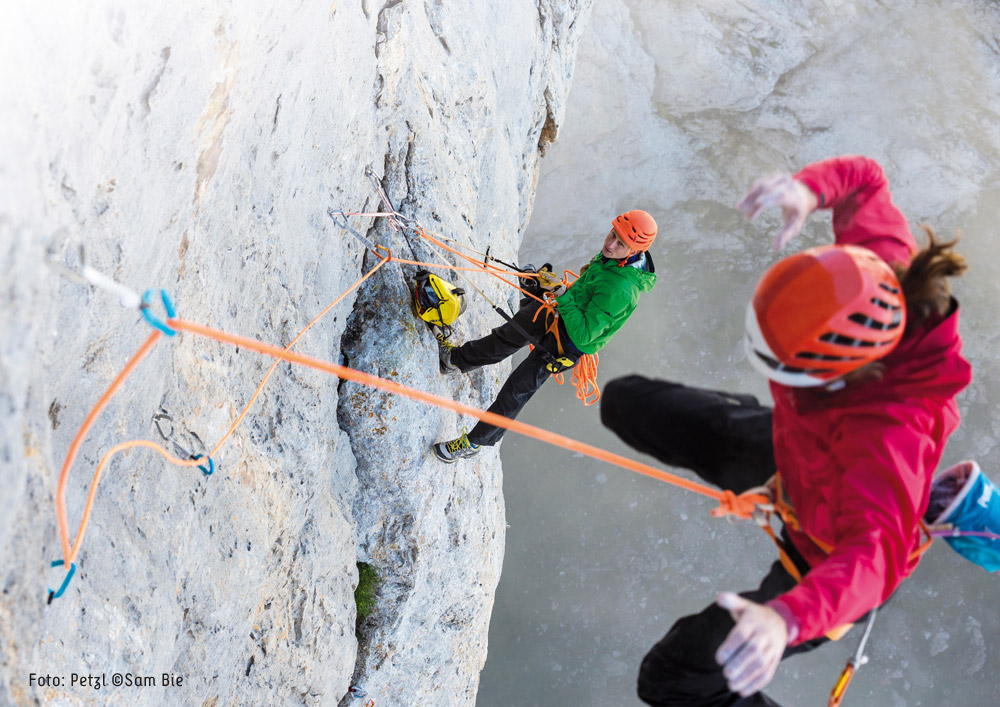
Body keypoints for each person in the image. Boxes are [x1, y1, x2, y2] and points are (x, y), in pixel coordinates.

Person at [599, 156, 971, 705]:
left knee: (671, 678)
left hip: (826, 559)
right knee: (623, 403)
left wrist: (784, 620)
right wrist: (808, 190)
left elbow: (873, 560)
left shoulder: (888, 441)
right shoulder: (874, 278)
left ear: (836, 375)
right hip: (797, 450)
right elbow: (866, 181)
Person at [431, 210, 658, 462]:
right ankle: (454, 360)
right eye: (613, 234)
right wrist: (555, 289)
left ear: (634, 251)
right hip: (559, 312)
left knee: (516, 391)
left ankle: (473, 443)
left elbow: (584, 335)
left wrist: (562, 294)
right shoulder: (614, 257)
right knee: (506, 335)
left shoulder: (622, 290)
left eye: (620, 243)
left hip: (567, 344)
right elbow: (587, 291)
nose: (610, 244)